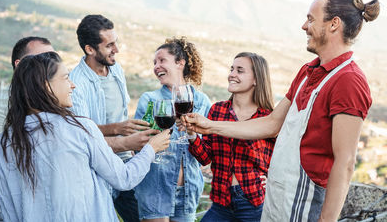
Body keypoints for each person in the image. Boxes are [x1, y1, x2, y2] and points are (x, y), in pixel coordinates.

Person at [184, 0, 379, 221]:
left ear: (334, 24)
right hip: (277, 201)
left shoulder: (348, 80)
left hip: (305, 204)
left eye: (310, 19)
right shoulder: (308, 72)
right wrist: (209, 126)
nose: (304, 26)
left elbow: (345, 163)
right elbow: (271, 123)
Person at [0, 52, 170, 221]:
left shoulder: (2, 143)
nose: (72, 84)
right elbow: (124, 178)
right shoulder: (79, 128)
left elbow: (9, 210)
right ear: (46, 85)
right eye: (65, 77)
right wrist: (151, 149)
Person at [69, 14, 157, 222]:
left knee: (144, 217)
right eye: (109, 45)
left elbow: (121, 113)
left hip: (125, 163)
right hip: (97, 171)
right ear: (90, 49)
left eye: (115, 42)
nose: (116, 50)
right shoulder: (76, 83)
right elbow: (80, 134)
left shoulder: (116, 69)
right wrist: (117, 129)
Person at [188, 52, 275, 222]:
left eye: (240, 70)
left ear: (256, 79)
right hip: (222, 203)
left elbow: (281, 158)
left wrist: (271, 179)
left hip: (252, 202)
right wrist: (191, 134)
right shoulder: (217, 110)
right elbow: (205, 158)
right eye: (232, 69)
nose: (232, 74)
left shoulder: (267, 118)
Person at [133, 37, 211, 222]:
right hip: (155, 188)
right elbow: (137, 145)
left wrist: (192, 135)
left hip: (189, 191)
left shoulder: (202, 101)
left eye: (161, 60)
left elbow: (208, 148)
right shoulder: (149, 99)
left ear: (180, 63)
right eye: (154, 63)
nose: (156, 66)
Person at [0, 37, 54, 221]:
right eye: (43, 58)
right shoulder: (17, 100)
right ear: (20, 65)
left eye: (52, 58)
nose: (49, 64)